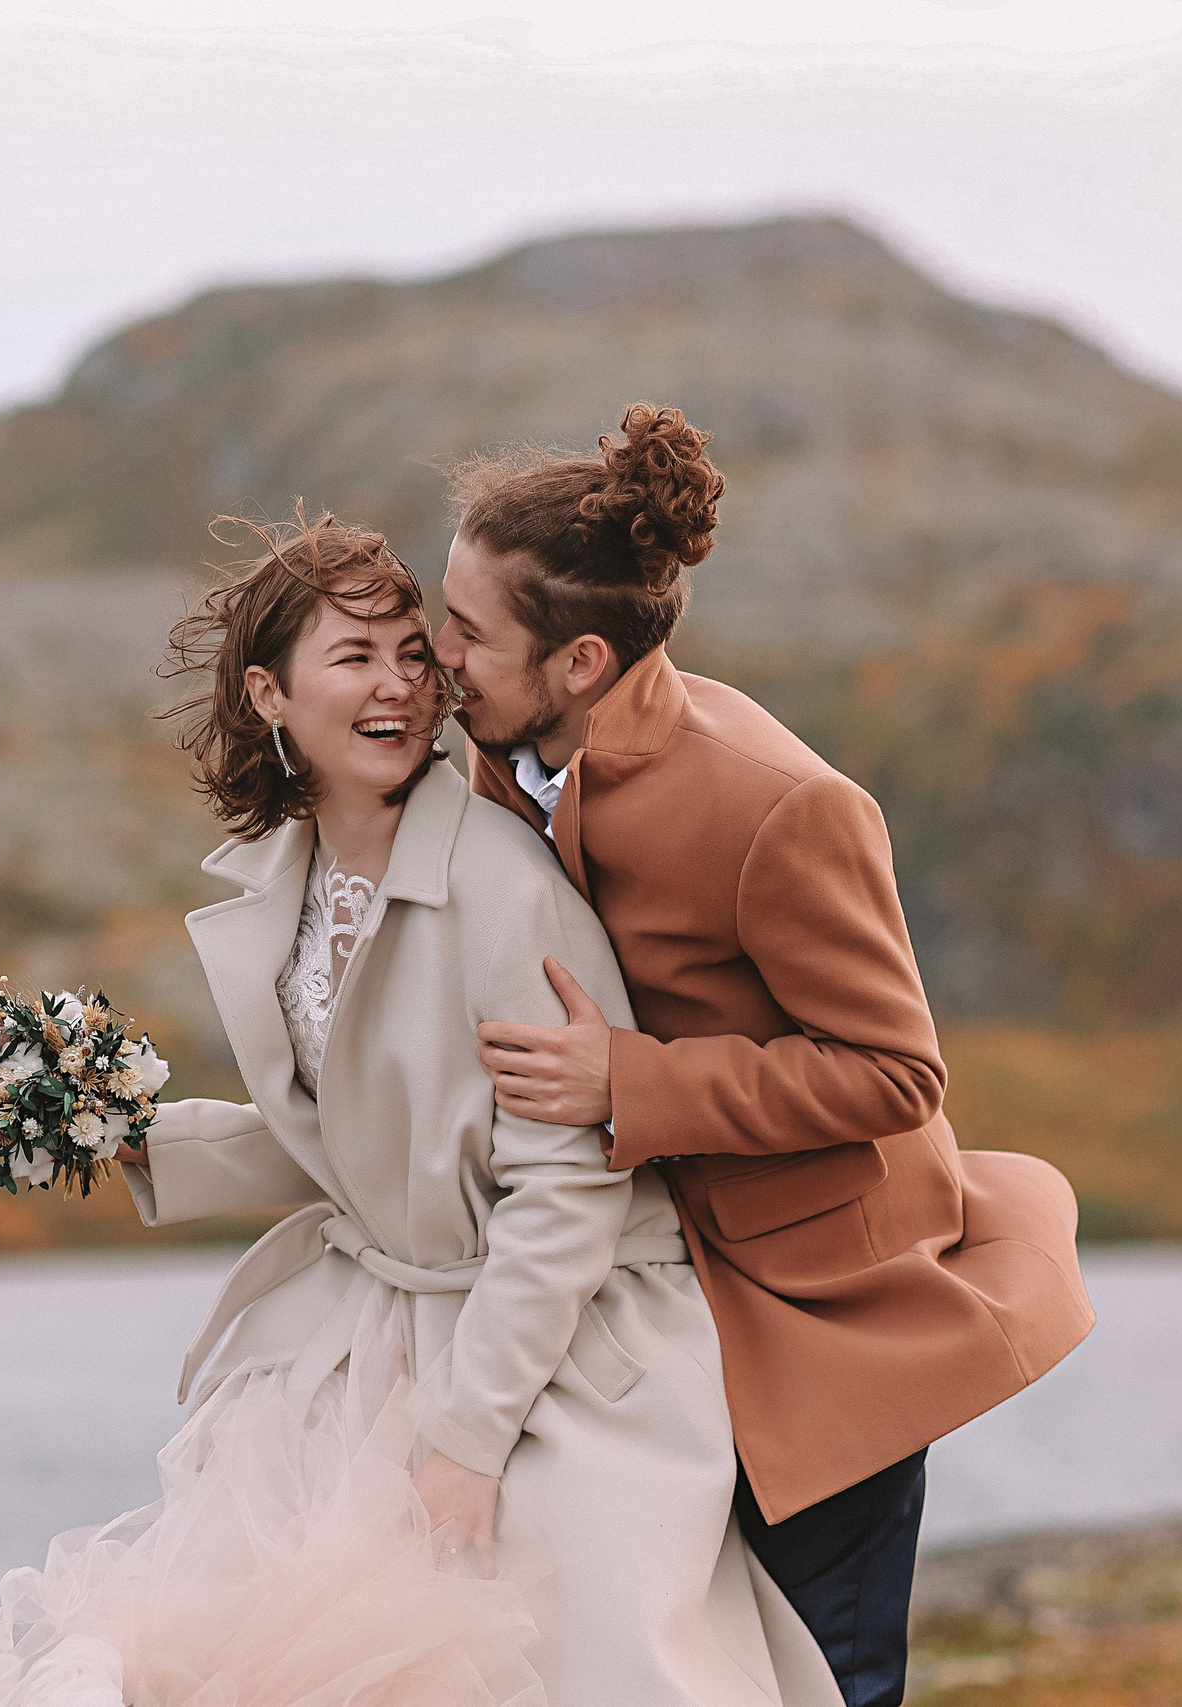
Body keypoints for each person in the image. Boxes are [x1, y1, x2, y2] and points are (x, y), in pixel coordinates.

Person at [0, 511, 840, 1706]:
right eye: (356, 658)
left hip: (550, 1333)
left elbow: (568, 1188)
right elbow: (367, 1139)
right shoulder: (285, 879)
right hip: (377, 1327)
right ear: (270, 694)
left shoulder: (503, 885)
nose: (402, 688)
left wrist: (465, 1445)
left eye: (415, 654)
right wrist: (121, 1131)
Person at [432, 403, 1097, 1707]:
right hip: (640, 1313)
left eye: (465, 629)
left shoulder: (777, 803)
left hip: (815, 1322)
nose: (433, 650)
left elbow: (895, 1072)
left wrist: (632, 1081)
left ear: (577, 660)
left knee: (826, 1678)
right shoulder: (505, 759)